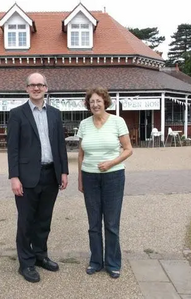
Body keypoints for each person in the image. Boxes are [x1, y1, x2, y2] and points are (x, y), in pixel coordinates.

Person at [7, 72, 69, 283]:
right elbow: (12, 149)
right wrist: (14, 176)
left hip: (50, 175)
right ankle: (26, 262)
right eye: (32, 85)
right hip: (26, 177)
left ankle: (40, 255)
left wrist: (64, 171)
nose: (36, 88)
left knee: (44, 220)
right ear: (26, 88)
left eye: (40, 85)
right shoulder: (17, 114)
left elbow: (60, 145)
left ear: (46, 88)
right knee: (26, 222)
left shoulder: (55, 114)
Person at [77, 87, 133, 279]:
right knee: (93, 223)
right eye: (92, 102)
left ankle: (112, 262)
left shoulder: (118, 122)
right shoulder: (84, 124)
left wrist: (111, 162)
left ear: (105, 102)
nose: (95, 104)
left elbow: (128, 149)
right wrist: (80, 178)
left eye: (98, 101)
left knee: (111, 222)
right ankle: (95, 261)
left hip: (113, 177)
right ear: (88, 104)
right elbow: (81, 153)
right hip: (90, 177)